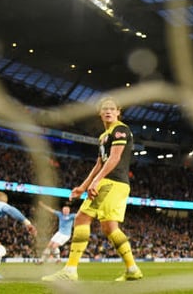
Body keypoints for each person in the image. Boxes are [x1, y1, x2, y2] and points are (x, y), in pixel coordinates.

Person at [42, 96, 143, 282]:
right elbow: (100, 163)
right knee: (110, 228)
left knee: (81, 218)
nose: (108, 111)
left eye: (112, 108)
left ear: (118, 111)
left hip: (111, 182)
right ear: (99, 112)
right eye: (104, 108)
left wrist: (97, 182)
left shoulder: (120, 130)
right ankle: (132, 269)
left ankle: (70, 270)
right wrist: (83, 187)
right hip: (115, 184)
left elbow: (114, 159)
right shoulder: (103, 136)